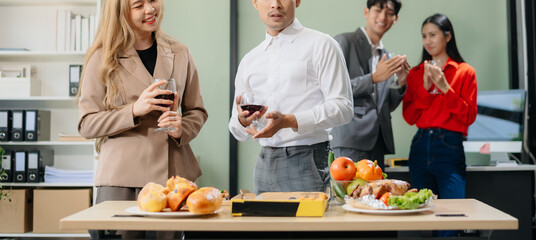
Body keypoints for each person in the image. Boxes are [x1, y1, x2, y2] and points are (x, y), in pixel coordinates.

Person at [77, 0, 207, 238]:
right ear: (120, 11)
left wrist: (181, 128)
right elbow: (87, 124)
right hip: (121, 180)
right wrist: (134, 110)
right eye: (138, 5)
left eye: (153, 0)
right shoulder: (102, 57)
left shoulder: (180, 52)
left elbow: (197, 111)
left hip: (172, 182)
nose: (150, 9)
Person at [228, 0, 353, 194]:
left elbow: (343, 108)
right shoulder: (249, 60)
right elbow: (236, 127)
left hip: (307, 161)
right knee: (264, 225)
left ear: (297, 1)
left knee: (309, 225)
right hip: (263, 164)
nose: (275, 4)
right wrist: (242, 121)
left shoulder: (322, 44)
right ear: (255, 2)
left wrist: (289, 121)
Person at [402, 13, 477, 237]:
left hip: (450, 146)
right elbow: (409, 117)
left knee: (452, 217)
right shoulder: (415, 74)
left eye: (433, 34)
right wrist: (425, 88)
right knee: (420, 215)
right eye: (424, 36)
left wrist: (445, 87)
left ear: (448, 36)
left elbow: (469, 116)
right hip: (420, 144)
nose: (428, 40)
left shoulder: (465, 72)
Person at [330, 0, 409, 169]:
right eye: (378, 10)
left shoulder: (386, 55)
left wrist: (401, 82)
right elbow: (334, 90)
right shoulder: (344, 42)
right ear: (366, 12)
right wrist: (373, 77)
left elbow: (385, 105)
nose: (383, 17)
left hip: (378, 142)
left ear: (395, 19)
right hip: (350, 139)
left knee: (373, 195)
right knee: (349, 194)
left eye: (389, 13)